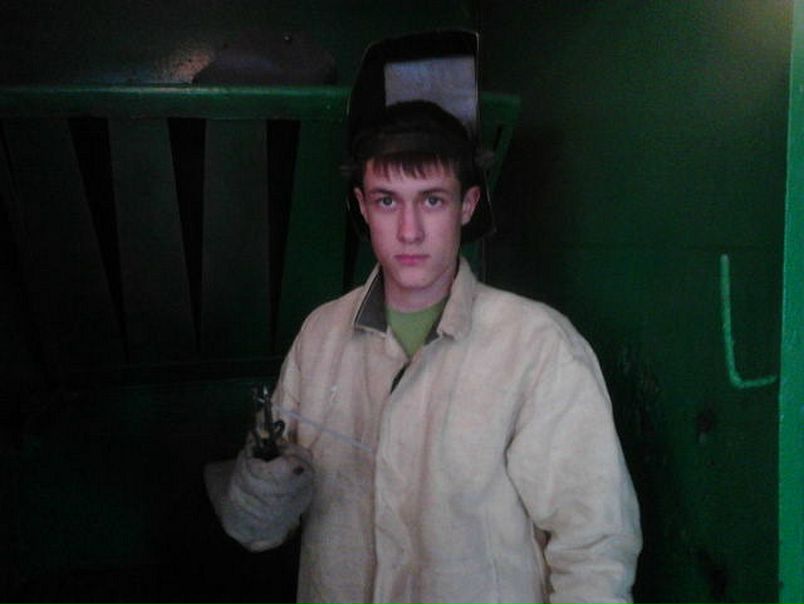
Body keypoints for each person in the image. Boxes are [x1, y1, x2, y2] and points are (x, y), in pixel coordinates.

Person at [206, 33, 641, 604]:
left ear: (467, 205)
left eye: (432, 200)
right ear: (362, 207)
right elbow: (259, 531)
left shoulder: (538, 346)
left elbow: (595, 551)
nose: (409, 231)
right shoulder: (321, 336)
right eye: (387, 200)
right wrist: (258, 491)